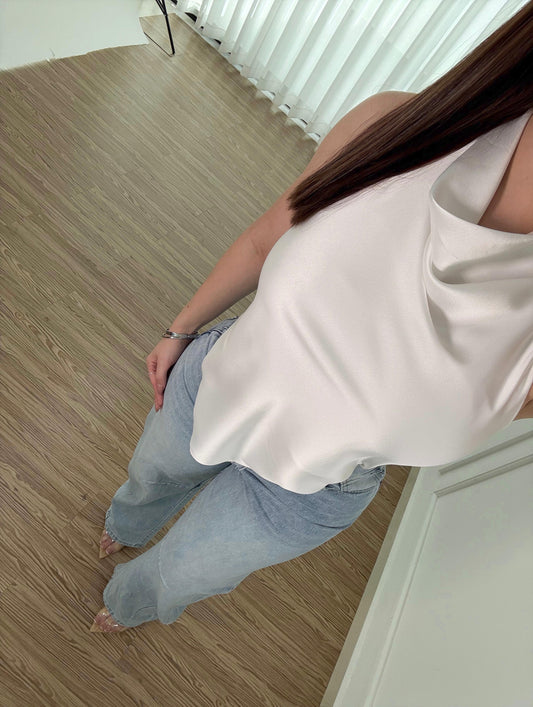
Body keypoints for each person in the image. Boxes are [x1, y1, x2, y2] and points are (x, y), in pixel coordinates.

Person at [90, 2, 533, 632]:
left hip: (319, 485)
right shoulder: (394, 126)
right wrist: (179, 329)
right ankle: (126, 523)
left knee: (185, 572)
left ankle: (129, 601)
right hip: (221, 377)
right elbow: (265, 240)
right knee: (151, 475)